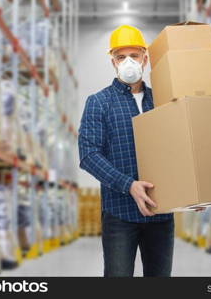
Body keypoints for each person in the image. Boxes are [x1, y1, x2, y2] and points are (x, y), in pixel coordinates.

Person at [78, 24, 175, 277]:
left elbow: (179, 150)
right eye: (121, 57)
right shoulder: (99, 102)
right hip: (120, 215)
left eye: (134, 55)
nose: (128, 62)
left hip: (160, 214)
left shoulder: (163, 100)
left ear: (145, 58)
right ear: (113, 62)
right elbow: (88, 154)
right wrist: (128, 185)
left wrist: (192, 194)